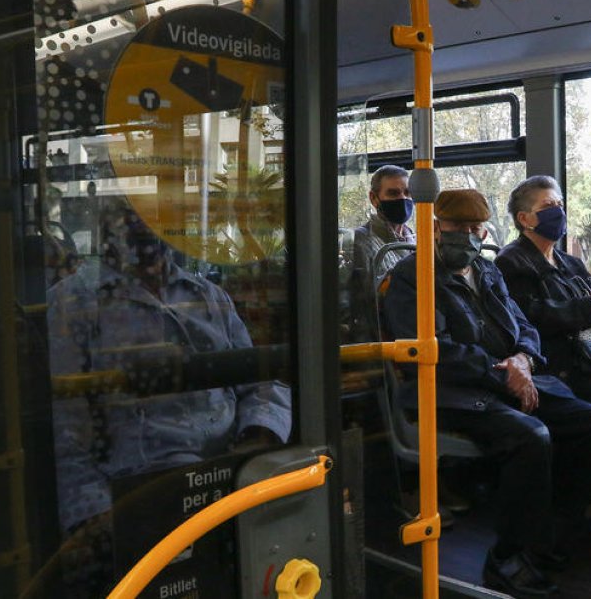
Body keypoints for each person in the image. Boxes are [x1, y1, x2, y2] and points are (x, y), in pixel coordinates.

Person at [48, 199, 291, 595]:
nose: (144, 234)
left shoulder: (208, 296)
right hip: (141, 492)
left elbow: (262, 381)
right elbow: (67, 424)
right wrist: (92, 517)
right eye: (130, 224)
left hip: (231, 474)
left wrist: (257, 441)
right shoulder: (73, 304)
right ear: (105, 236)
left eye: (154, 221)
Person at [382, 188, 591, 597]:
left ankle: (552, 535)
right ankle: (506, 558)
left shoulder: (488, 271)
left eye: (475, 228)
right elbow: (434, 349)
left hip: (510, 377)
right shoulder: (412, 278)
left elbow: (525, 328)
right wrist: (502, 373)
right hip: (448, 390)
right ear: (436, 227)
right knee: (530, 436)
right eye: (456, 227)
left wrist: (523, 360)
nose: (467, 235)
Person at [496, 175, 591, 406]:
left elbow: (590, 305)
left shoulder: (571, 263)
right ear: (524, 218)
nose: (558, 212)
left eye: (560, 205)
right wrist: (587, 309)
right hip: (555, 367)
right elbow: (528, 315)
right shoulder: (510, 261)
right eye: (548, 206)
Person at [346, 165, 415, 341]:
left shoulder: (418, 241)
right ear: (374, 198)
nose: (403, 199)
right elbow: (362, 302)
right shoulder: (359, 241)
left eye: (407, 193)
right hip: (383, 334)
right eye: (393, 193)